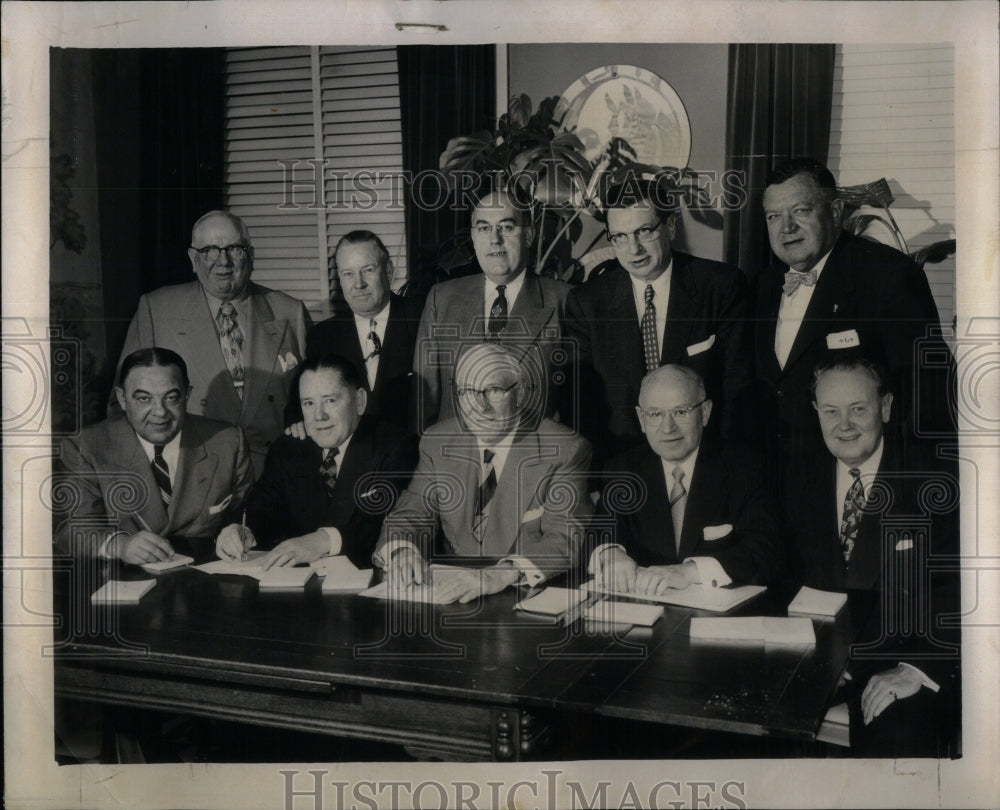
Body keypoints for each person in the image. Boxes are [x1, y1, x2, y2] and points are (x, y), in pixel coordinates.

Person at [785, 355, 959, 756]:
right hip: (813, 664)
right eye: (831, 411)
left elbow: (963, 587)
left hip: (900, 663)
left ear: (885, 406)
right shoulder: (796, 476)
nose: (843, 425)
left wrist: (916, 668)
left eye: (858, 409)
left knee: (899, 745)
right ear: (816, 412)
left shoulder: (936, 478)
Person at [753, 158, 954, 483]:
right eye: (774, 216)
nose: (785, 227)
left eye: (800, 211)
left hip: (854, 486)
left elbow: (925, 396)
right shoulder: (761, 286)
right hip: (774, 485)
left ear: (834, 212)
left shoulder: (888, 275)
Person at [374, 343, 592, 603]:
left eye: (493, 390)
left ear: (520, 393)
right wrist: (402, 551)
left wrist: (498, 575)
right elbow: (413, 512)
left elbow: (564, 538)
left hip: (522, 595)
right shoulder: (438, 441)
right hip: (449, 595)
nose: (479, 406)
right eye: (467, 391)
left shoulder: (564, 448)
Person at [563, 178, 752, 467]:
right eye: (620, 237)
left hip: (706, 461)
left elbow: (737, 387)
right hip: (621, 464)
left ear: (671, 227)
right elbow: (583, 407)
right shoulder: (587, 303)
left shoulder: (720, 286)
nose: (633, 249)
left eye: (644, 231)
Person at [116, 210, 312, 477]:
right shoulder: (157, 310)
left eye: (235, 249)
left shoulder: (290, 312)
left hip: (276, 475)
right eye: (209, 250)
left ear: (251, 255)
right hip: (189, 477)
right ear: (193, 259)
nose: (223, 261)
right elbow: (122, 406)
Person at [591, 365, 778, 595]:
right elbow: (599, 534)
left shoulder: (746, 468)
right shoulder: (623, 470)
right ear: (641, 418)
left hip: (717, 617)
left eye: (680, 412)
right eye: (655, 414)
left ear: (706, 412)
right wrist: (610, 554)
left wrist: (687, 572)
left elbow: (765, 551)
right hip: (646, 611)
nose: (668, 428)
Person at [216, 354, 416, 570]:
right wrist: (240, 530)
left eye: (330, 400)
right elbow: (260, 507)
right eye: (309, 403)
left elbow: (379, 528)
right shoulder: (289, 448)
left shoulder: (395, 446)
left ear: (359, 401)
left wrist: (322, 541)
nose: (318, 416)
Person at [56, 348, 253, 563]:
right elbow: (70, 531)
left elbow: (247, 513)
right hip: (124, 583)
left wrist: (237, 530)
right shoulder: (86, 447)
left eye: (171, 398)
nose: (160, 411)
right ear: (122, 399)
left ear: (187, 395)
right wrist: (119, 545)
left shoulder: (228, 442)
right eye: (143, 398)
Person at [413, 189, 571, 432]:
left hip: (531, 459)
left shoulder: (564, 300)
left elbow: (575, 403)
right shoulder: (441, 299)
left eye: (506, 227)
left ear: (528, 235)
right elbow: (426, 400)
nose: (494, 239)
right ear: (474, 238)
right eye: (484, 228)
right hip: (457, 459)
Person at [299, 230, 423, 432]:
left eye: (368, 270)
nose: (359, 284)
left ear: (388, 270)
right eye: (348, 274)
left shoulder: (422, 318)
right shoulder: (322, 337)